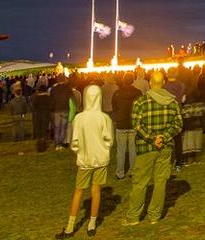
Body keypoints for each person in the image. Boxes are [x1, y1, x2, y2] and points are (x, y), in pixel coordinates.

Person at [122, 70, 183, 227]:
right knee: (160, 182)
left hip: (146, 148)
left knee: (140, 182)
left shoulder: (140, 102)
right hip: (165, 147)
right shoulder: (173, 102)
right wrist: (164, 137)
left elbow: (136, 124)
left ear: (150, 83)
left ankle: (134, 216)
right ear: (163, 83)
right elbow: (178, 125)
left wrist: (151, 138)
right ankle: (154, 215)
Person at [57, 84, 113, 239]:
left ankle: (69, 227)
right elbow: (109, 140)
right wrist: (102, 149)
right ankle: (92, 224)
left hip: (85, 159)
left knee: (78, 191)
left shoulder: (79, 118)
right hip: (100, 159)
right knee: (96, 190)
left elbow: (74, 141)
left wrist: (81, 151)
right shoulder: (104, 118)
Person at [112, 73, 141, 180]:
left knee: (121, 150)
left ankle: (120, 172)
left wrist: (119, 116)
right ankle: (132, 171)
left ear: (123, 80)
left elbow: (114, 107)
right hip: (133, 123)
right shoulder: (138, 93)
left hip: (121, 124)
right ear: (133, 80)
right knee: (133, 149)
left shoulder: (117, 93)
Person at [50, 76, 73, 148]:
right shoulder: (68, 88)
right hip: (65, 109)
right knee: (63, 127)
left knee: (57, 127)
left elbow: (51, 100)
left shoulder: (53, 89)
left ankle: (57, 143)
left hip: (57, 110)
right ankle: (61, 143)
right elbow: (71, 98)